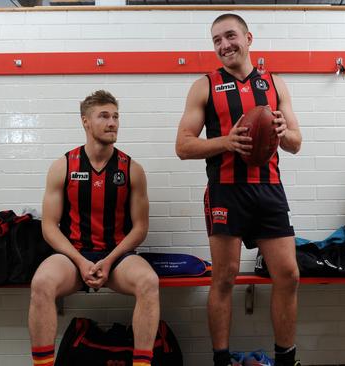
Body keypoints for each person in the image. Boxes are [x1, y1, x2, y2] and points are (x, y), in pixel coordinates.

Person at [175, 13, 302, 366]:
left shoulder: (275, 84)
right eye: (216, 40)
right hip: (226, 192)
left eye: (230, 36)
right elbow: (183, 146)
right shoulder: (205, 85)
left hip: (269, 189)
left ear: (248, 38)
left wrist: (281, 130)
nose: (224, 45)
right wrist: (226, 142)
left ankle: (286, 359)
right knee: (225, 278)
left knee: (288, 274)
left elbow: (296, 142)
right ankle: (221, 360)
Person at [28, 90, 159, 366]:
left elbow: (140, 228)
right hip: (74, 257)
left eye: (115, 116)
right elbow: (49, 227)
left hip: (118, 257)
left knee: (149, 282)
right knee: (41, 282)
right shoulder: (62, 166)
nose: (112, 123)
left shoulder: (131, 169)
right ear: (85, 122)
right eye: (104, 116)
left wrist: (109, 260)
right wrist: (81, 261)